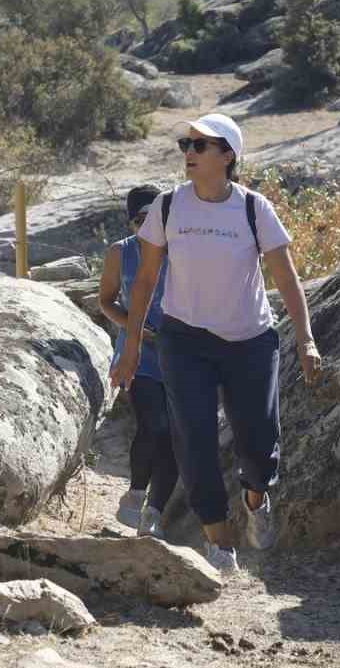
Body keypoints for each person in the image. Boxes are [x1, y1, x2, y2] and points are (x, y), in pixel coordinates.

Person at [109, 113, 321, 574]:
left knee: (259, 442)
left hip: (249, 340)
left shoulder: (254, 209)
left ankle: (256, 494)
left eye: (201, 145)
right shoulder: (168, 207)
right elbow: (145, 282)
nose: (189, 152)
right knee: (194, 440)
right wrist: (129, 350)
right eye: (187, 143)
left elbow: (285, 276)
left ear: (228, 155)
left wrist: (305, 337)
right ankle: (220, 545)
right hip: (184, 339)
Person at [98, 184, 178, 538]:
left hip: (182, 354)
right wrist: (135, 329)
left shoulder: (185, 251)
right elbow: (106, 301)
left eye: (154, 218)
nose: (146, 226)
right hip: (139, 353)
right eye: (139, 220)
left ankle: (155, 514)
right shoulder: (121, 252)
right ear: (130, 223)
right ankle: (135, 494)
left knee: (176, 436)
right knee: (155, 424)